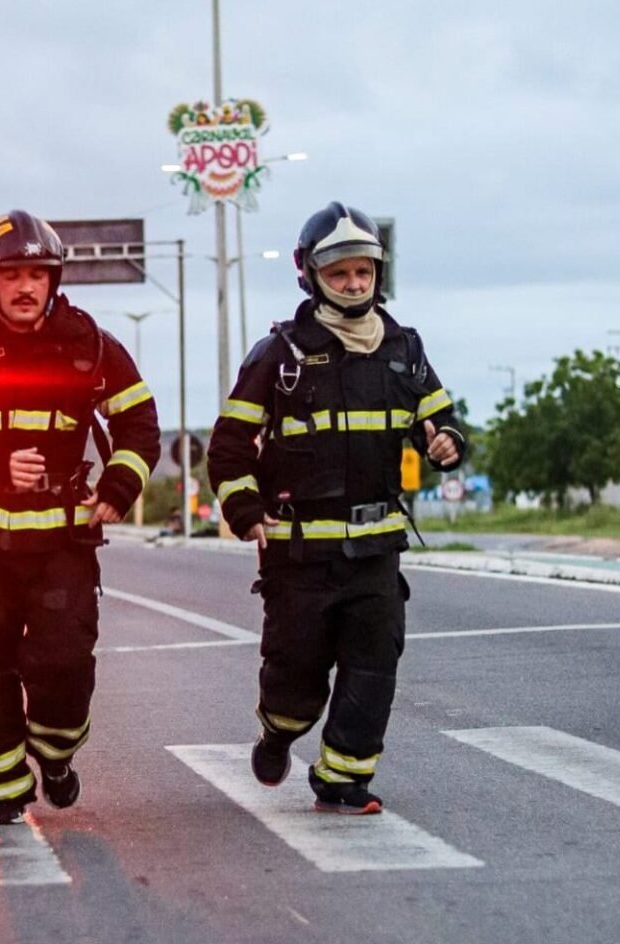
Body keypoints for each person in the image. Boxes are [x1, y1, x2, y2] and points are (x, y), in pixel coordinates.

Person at [207, 202, 466, 815]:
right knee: (295, 678)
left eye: (363, 272)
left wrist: (449, 443)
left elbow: (441, 419)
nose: (354, 284)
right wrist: (245, 509)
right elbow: (228, 447)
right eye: (340, 273)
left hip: (376, 550)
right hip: (300, 556)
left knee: (374, 665)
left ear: (378, 274)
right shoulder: (278, 355)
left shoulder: (405, 350)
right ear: (311, 276)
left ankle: (344, 778)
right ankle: (279, 732)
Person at [0, 210, 161, 825]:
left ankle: (55, 753)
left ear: (54, 280)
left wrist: (120, 484)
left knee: (65, 663)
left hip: (62, 544)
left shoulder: (90, 345)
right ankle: (5, 789)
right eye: (12, 275)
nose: (26, 287)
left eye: (38, 275)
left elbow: (139, 422)